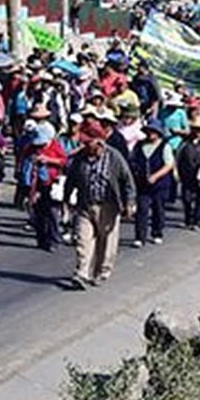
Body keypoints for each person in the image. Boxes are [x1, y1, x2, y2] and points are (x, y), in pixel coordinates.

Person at [64, 120, 134, 289]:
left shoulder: (114, 157)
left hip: (108, 205)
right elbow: (71, 179)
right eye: (84, 142)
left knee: (106, 241)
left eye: (89, 142)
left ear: (99, 141)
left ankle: (101, 272)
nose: (86, 145)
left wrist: (129, 202)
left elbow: (127, 179)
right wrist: (66, 200)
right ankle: (81, 272)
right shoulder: (79, 158)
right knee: (83, 240)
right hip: (85, 204)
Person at [129, 123, 174, 247]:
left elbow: (169, 164)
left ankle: (157, 233)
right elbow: (132, 159)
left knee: (158, 209)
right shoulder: (139, 145)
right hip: (143, 184)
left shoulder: (165, 146)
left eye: (153, 131)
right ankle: (140, 237)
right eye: (148, 131)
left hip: (159, 185)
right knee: (142, 210)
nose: (150, 134)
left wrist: (156, 176)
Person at [24, 122, 67, 252]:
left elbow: (63, 161)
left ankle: (54, 239)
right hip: (36, 185)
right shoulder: (31, 148)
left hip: (51, 183)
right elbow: (23, 163)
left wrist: (48, 160)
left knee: (52, 213)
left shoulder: (55, 146)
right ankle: (41, 239)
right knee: (39, 213)